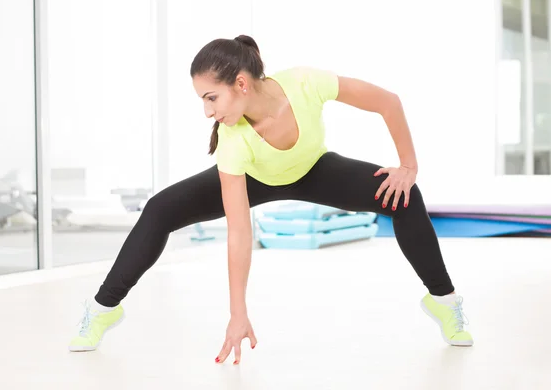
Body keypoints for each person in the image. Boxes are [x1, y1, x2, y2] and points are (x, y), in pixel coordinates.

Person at [68, 35, 473, 361]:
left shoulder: (305, 83)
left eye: (211, 98)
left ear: (241, 84)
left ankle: (444, 301)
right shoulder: (233, 140)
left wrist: (408, 166)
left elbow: (388, 102)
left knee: (401, 195)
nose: (207, 112)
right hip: (255, 177)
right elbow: (240, 232)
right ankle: (103, 310)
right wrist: (237, 313)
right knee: (160, 209)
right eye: (202, 101)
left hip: (314, 169)